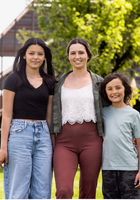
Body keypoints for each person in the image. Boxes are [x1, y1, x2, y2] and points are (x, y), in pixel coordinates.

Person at [0, 37, 55, 199]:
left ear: (44, 57)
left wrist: (53, 145)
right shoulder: (13, 79)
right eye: (31, 53)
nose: (35, 57)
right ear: (23, 55)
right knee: (19, 190)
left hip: (43, 136)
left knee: (42, 192)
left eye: (40, 54)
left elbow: (49, 117)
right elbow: (7, 115)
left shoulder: (50, 82)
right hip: (19, 134)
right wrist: (3, 148)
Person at [50, 38, 104, 199]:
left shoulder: (99, 83)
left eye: (81, 52)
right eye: (73, 53)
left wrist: (130, 134)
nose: (77, 56)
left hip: (93, 141)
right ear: (68, 56)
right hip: (64, 142)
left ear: (88, 55)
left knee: (88, 192)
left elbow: (114, 109)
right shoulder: (58, 83)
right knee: (63, 191)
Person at [100, 73, 140, 199]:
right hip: (108, 169)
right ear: (105, 92)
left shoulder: (134, 114)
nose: (114, 92)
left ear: (125, 88)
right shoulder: (102, 113)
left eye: (118, 87)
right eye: (110, 89)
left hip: (130, 169)